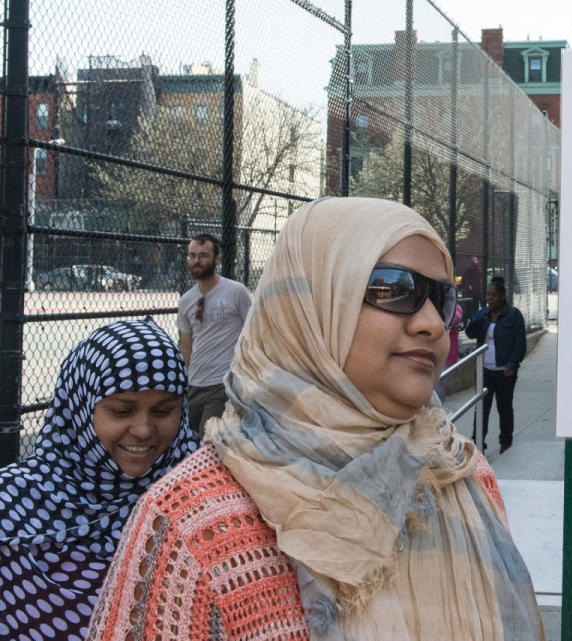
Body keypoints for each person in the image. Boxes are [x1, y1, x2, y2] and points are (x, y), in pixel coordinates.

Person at [86, 197, 544, 641]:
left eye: (443, 300)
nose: (429, 322)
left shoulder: (462, 475)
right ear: (307, 312)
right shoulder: (194, 526)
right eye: (393, 289)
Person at [0, 318, 198, 641]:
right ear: (79, 408)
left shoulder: (200, 502)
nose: (144, 430)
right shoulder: (12, 503)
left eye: (163, 411)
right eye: (121, 411)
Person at [177, 233, 252, 437]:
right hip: (195, 384)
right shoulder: (186, 300)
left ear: (217, 259)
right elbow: (186, 346)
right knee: (188, 438)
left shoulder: (236, 292)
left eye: (203, 255)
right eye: (192, 256)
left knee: (207, 440)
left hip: (223, 383)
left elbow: (254, 332)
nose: (197, 261)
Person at [465, 276, 526, 454]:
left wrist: (512, 364)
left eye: (493, 295)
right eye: (487, 295)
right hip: (485, 370)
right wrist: (479, 317)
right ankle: (478, 445)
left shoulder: (513, 315)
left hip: (505, 372)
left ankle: (505, 442)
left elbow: (520, 343)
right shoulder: (483, 314)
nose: (489, 298)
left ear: (502, 296)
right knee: (482, 408)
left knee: (504, 407)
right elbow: (470, 333)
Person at [434, 303, 463, 401]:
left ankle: (437, 411)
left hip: (447, 356)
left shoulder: (455, 307)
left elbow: (455, 317)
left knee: (440, 384)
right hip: (431, 354)